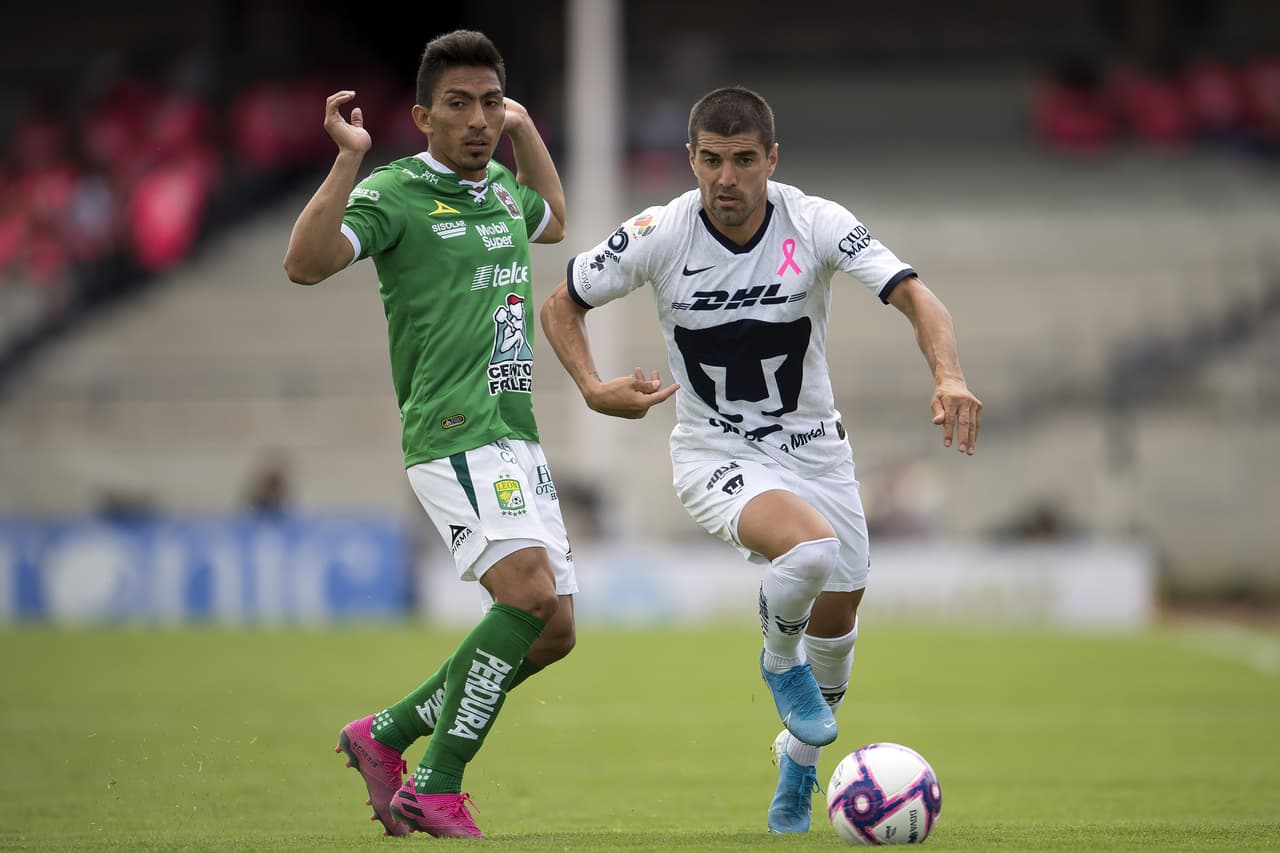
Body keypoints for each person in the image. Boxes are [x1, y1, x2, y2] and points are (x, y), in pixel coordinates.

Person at [540, 85, 981, 834]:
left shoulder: (816, 223)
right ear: (691, 160)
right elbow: (560, 302)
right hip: (714, 451)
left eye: (744, 160)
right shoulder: (660, 232)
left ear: (772, 159)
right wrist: (589, 385)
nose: (727, 178)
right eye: (711, 160)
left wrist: (949, 373)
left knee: (837, 626)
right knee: (809, 550)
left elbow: (916, 295)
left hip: (815, 450)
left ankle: (798, 768)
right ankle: (778, 661)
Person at [283, 30, 573, 839]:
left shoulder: (502, 191)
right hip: (453, 431)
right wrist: (348, 161)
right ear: (423, 117)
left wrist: (525, 129)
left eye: (491, 103)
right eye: (459, 104)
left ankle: (383, 733)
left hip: (514, 432)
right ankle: (437, 783)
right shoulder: (397, 192)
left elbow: (554, 219)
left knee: (553, 630)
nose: (478, 119)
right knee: (528, 596)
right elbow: (305, 263)